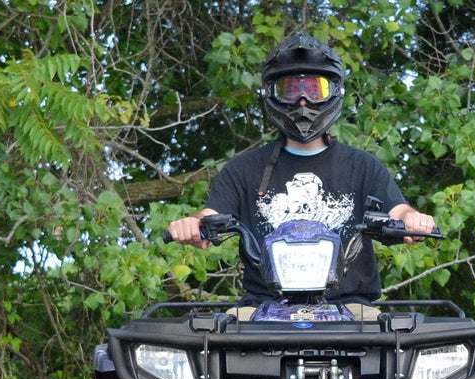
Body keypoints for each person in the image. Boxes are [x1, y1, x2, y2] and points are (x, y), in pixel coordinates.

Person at [167, 33, 436, 309]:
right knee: (211, 344)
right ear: (272, 94)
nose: (304, 101)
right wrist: (193, 224)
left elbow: (398, 211)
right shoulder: (243, 169)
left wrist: (415, 220)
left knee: (395, 344)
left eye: (315, 90)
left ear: (333, 92)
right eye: (291, 91)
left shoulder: (362, 165)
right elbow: (210, 216)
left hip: (350, 309)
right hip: (262, 308)